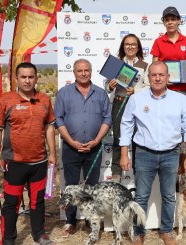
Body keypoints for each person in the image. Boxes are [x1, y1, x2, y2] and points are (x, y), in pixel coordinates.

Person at [119, 61, 186, 245]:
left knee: (169, 195)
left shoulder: (180, 99)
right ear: (148, 77)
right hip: (144, 154)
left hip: (172, 154)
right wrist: (123, 154)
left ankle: (167, 231)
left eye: (161, 75)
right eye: (154, 75)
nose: (158, 78)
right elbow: (126, 125)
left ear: (168, 78)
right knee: (141, 196)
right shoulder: (137, 99)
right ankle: (138, 233)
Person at [0, 62, 56, 245]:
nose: (27, 81)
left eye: (31, 77)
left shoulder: (44, 99)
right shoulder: (6, 99)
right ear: (16, 78)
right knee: (11, 203)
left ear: (36, 78)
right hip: (14, 162)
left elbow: (49, 127)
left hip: (39, 162)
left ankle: (39, 234)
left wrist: (52, 154)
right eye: (23, 77)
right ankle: (8, 239)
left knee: (38, 201)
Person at [54, 59, 112, 237]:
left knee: (92, 186)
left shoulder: (101, 94)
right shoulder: (63, 93)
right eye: (80, 70)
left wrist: (96, 140)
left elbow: (107, 119)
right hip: (71, 148)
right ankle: (70, 220)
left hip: (94, 149)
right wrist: (72, 142)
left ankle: (90, 219)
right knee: (70, 186)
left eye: (87, 70)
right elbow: (58, 120)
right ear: (74, 72)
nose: (83, 73)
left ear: (91, 71)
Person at [104, 34, 149, 181]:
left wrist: (136, 91)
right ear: (123, 47)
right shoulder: (116, 63)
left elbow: (149, 87)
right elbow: (107, 85)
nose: (130, 47)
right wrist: (110, 85)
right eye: (127, 44)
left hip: (137, 105)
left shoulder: (144, 65)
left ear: (138, 47)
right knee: (118, 137)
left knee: (138, 138)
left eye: (133, 44)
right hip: (119, 102)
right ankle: (116, 173)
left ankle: (139, 171)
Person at [150, 6, 186, 93]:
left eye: (173, 19)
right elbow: (154, 66)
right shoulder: (158, 42)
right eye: (167, 20)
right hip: (163, 89)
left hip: (182, 89)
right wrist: (163, 80)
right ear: (163, 22)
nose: (170, 22)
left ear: (179, 21)